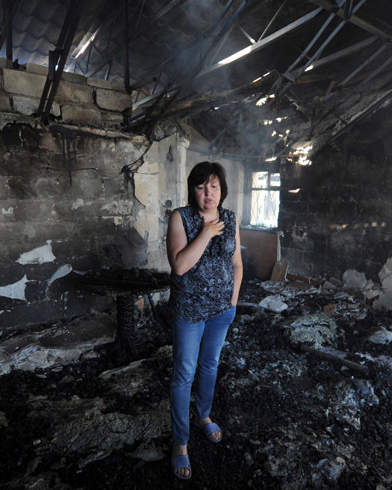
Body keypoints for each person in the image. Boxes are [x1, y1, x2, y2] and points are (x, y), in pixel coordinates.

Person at [166, 161, 243, 480]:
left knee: (210, 366)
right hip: (189, 312)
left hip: (221, 311)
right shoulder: (180, 218)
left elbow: (238, 263)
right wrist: (207, 233)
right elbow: (180, 265)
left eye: (213, 186)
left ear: (222, 190)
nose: (208, 193)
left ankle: (204, 415)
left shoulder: (231, 218)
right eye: (201, 187)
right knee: (184, 373)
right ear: (192, 190)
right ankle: (180, 442)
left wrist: (233, 301)